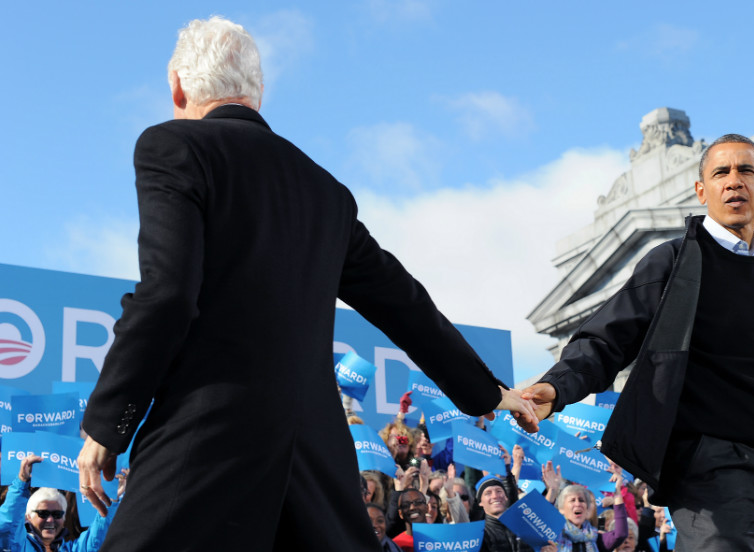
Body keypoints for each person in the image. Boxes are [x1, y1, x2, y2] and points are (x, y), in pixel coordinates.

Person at [74, 16, 538, 552]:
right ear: (259, 91)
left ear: (177, 85)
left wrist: (109, 423)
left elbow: (168, 295)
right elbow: (401, 300)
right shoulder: (324, 191)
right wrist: (485, 391)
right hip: (313, 460)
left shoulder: (173, 146)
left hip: (206, 442)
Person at [522, 133, 754, 551]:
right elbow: (607, 338)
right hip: (709, 473)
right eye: (721, 173)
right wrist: (557, 387)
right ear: (701, 190)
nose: (734, 181)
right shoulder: (673, 262)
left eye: (746, 171)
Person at [0, 455, 121, 552]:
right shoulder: (18, 546)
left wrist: (113, 496)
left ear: (63, 521)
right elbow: (8, 528)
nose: (50, 520)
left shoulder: (70, 549)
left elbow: (96, 540)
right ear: (28, 517)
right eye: (43, 513)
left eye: (57, 514)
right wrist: (21, 482)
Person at [477, 475, 556, 552]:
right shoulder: (479, 535)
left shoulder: (527, 525)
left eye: (499, 491)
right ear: (480, 502)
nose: (495, 496)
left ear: (506, 497)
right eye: (488, 493)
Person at [555, 483, 627, 552]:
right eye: (572, 500)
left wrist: (617, 493)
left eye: (581, 500)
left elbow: (620, 534)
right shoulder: (552, 533)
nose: (577, 504)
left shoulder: (596, 538)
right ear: (561, 509)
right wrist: (552, 490)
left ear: (587, 509)